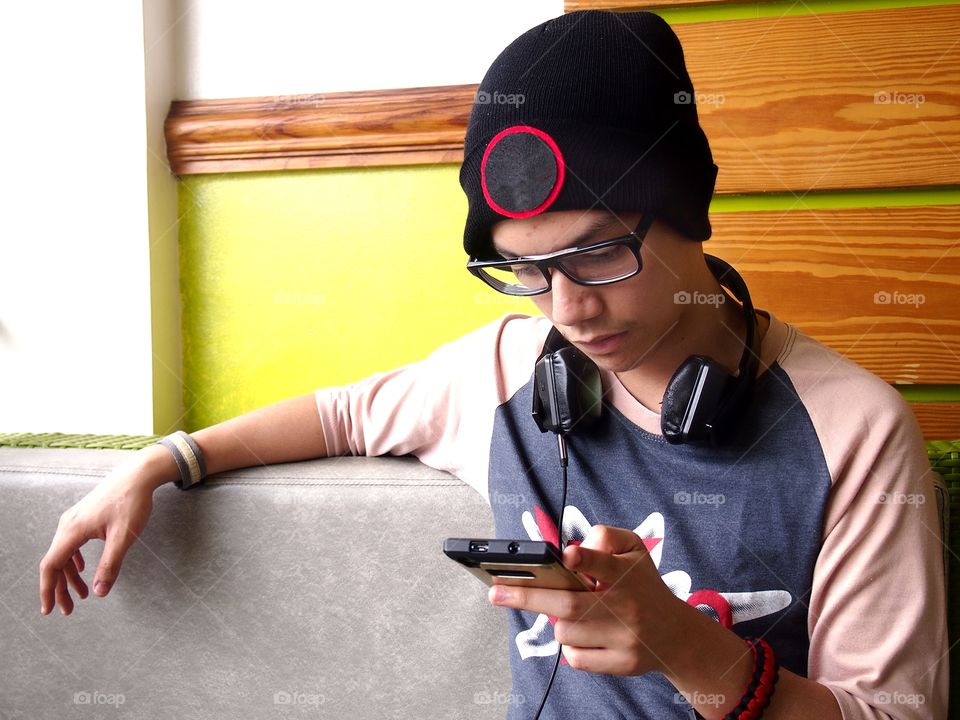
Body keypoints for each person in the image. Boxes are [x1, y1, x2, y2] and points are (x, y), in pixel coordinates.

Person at [39, 10, 947, 720]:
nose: (570, 310)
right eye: (527, 272)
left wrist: (688, 648)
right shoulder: (510, 371)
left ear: (688, 208)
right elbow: (345, 415)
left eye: (597, 256)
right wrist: (160, 464)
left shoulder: (855, 432)